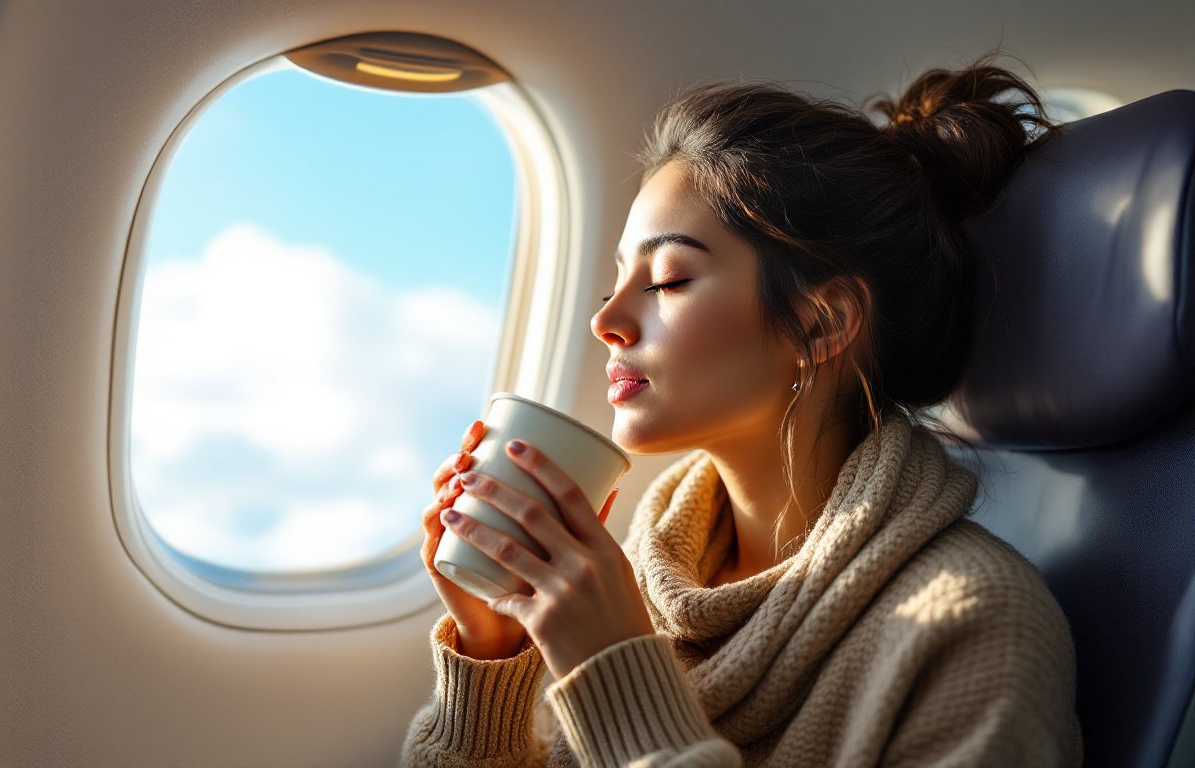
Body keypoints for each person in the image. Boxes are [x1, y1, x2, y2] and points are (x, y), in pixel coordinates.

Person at [401, 50, 1084, 767]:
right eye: (616, 277)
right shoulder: (639, 580)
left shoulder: (975, 626)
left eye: (668, 280)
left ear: (821, 325)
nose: (607, 320)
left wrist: (617, 674)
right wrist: (491, 654)